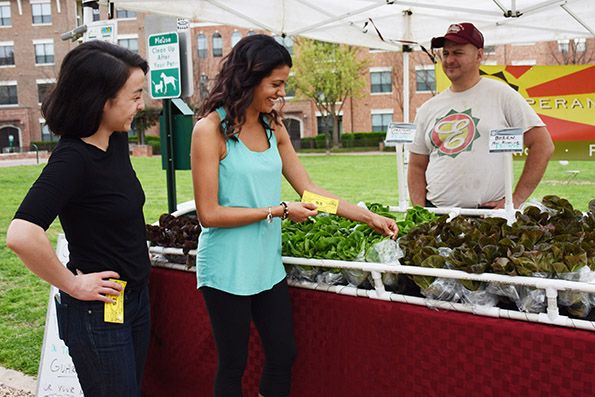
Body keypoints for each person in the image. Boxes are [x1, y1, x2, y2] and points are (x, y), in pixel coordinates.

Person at [191, 34, 398, 397]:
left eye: (283, 83)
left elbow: (310, 192)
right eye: (275, 83)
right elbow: (209, 214)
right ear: (248, 77)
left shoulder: (274, 127)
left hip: (265, 267)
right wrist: (279, 211)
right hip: (226, 268)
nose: (281, 92)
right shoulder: (209, 130)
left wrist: (365, 217)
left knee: (283, 353)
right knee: (233, 364)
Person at [6, 41, 150, 397]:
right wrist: (72, 284)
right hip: (97, 316)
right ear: (101, 100)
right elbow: (21, 234)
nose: (141, 105)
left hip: (133, 301)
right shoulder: (73, 160)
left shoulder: (114, 141)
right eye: (134, 96)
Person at [408, 22, 554, 209]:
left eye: (458, 53)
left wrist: (515, 200)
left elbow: (543, 145)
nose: (449, 60)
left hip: (487, 219)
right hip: (437, 216)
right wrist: (420, 211)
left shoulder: (502, 95)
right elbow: (416, 166)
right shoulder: (428, 108)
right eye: (445, 53)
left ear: (479, 55)